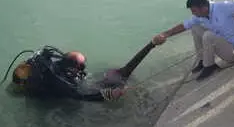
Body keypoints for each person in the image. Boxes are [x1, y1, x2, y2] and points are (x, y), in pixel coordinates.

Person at [10, 42, 157, 101]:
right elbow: (81, 97)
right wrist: (107, 95)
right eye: (81, 67)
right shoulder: (59, 81)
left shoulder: (59, 60)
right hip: (45, 95)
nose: (83, 70)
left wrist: (151, 45)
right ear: (71, 67)